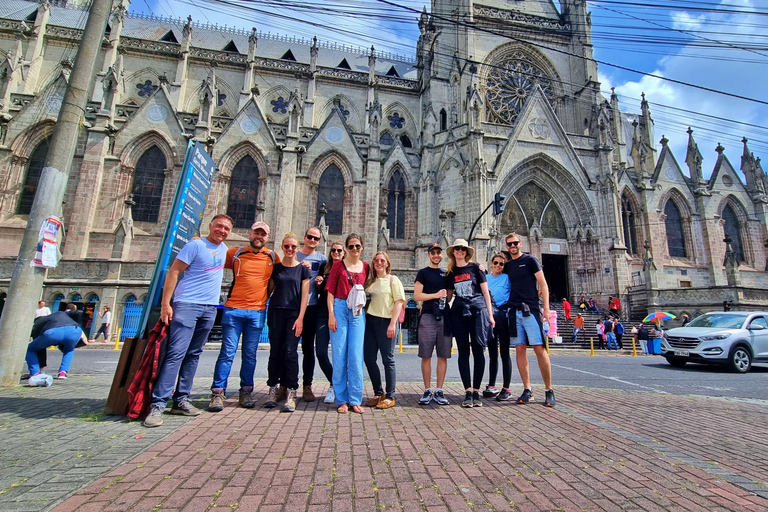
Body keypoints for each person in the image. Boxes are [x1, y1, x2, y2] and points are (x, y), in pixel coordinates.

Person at [144, 214, 233, 428]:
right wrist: (167, 304)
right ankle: (157, 405)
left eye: (226, 228)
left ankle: (181, 399)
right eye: (219, 226)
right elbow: (173, 271)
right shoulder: (195, 245)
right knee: (176, 353)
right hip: (186, 304)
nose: (222, 230)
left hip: (210, 308)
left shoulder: (224, 250)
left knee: (193, 354)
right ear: (210, 226)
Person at [208, 221, 278, 413]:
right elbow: (213, 255)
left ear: (267, 237)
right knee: (227, 353)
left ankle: (246, 391)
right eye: (256, 232)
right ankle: (217, 392)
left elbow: (280, 275)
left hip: (257, 312)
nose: (259, 236)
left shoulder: (272, 256)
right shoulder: (235, 253)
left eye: (263, 234)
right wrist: (201, 240)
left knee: (250, 355)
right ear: (250, 234)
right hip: (233, 310)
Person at [503, 232, 556, 407]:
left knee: (539, 349)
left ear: (521, 244)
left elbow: (543, 284)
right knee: (519, 350)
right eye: (510, 244)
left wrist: (546, 308)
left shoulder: (531, 260)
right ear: (506, 246)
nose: (513, 246)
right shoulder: (508, 265)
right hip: (513, 311)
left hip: (530, 310)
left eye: (515, 243)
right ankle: (527, 389)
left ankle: (549, 390)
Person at [445, 238, 495, 408]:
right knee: (463, 352)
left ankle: (476, 391)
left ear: (466, 252)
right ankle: (467, 391)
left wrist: (490, 314)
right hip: (458, 312)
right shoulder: (450, 273)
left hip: (477, 310)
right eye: (457, 249)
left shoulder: (476, 268)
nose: (460, 251)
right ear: (453, 252)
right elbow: (449, 296)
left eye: (463, 249)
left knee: (478, 349)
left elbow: (485, 292)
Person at [264, 233, 311, 413]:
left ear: (297, 248)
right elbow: (269, 291)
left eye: (293, 247)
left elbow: (304, 297)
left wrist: (300, 318)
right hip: (276, 312)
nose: (289, 249)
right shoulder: (276, 269)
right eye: (286, 247)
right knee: (275, 351)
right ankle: (273, 388)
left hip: (293, 314)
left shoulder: (303, 270)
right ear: (282, 248)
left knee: (291, 352)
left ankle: (291, 391)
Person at [326, 233, 369, 414]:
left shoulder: (366, 266)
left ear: (362, 248)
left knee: (356, 355)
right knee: (339, 354)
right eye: (351, 246)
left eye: (357, 246)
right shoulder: (338, 266)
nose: (354, 249)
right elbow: (330, 292)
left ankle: (355, 399)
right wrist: (331, 315)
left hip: (358, 311)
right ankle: (341, 399)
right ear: (346, 248)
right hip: (340, 308)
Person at [363, 252, 405, 409]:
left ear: (387, 264)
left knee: (388, 359)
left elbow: (399, 301)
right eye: (376, 260)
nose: (379, 263)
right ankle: (378, 392)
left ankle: (391, 396)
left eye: (382, 261)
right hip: (370, 322)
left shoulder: (393, 280)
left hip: (386, 322)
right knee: (369, 358)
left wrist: (393, 324)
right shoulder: (370, 282)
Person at [413, 242, 452, 406]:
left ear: (442, 255)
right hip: (428, 315)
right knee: (426, 355)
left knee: (443, 355)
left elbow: (449, 297)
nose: (436, 255)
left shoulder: (447, 273)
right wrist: (435, 295)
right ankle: (428, 389)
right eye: (433, 253)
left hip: (444, 316)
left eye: (438, 253)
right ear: (429, 255)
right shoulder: (423, 273)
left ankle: (439, 389)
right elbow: (417, 296)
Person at [296, 227, 328, 402]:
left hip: (312, 307)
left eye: (316, 238)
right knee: (288, 349)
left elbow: (324, 283)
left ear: (320, 241)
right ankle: (285, 385)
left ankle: (307, 386)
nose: (312, 240)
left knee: (308, 349)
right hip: (292, 307)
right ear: (304, 237)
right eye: (310, 237)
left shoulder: (322, 260)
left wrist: (319, 282)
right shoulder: (294, 255)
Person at [315, 241, 344, 404]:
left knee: (340, 354)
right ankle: (334, 383)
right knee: (320, 352)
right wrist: (318, 283)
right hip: (322, 312)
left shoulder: (347, 268)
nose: (336, 252)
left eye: (339, 250)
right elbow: (321, 290)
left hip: (340, 313)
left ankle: (336, 387)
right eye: (333, 250)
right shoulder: (324, 267)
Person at [483, 252, 513, 401]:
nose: (498, 266)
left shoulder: (507, 279)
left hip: (503, 318)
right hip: (490, 319)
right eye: (496, 263)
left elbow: (513, 295)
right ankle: (491, 385)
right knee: (492, 353)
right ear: (491, 263)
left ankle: (506, 387)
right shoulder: (486, 279)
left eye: (501, 264)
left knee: (505, 353)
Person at [26, 310, 86, 379]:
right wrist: (77, 324)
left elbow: (40, 349)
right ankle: (62, 373)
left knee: (30, 349)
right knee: (69, 350)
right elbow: (79, 312)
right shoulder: (62, 313)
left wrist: (41, 364)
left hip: (53, 332)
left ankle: (35, 373)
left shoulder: (37, 322)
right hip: (74, 330)